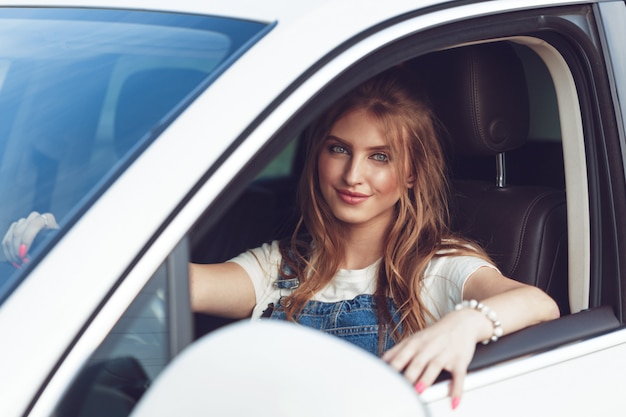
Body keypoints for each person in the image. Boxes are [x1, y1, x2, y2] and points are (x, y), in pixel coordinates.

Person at [3, 67, 559, 410]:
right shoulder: (282, 267)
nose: (353, 176)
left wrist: (466, 322)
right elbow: (166, 283)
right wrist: (60, 246)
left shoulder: (436, 269)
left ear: (411, 173)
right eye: (339, 148)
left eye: (380, 157)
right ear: (317, 153)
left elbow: (538, 303)